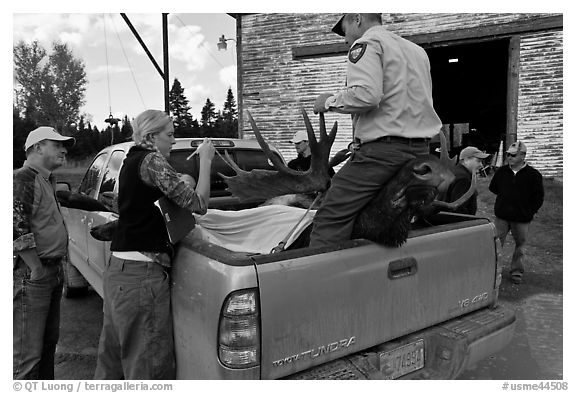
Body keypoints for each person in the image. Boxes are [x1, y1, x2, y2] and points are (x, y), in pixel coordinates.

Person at [94, 109, 215, 379]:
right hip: (141, 278)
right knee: (148, 366)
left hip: (120, 272)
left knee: (112, 361)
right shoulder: (152, 161)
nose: (173, 141)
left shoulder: (130, 160)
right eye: (170, 135)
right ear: (151, 136)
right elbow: (200, 204)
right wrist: (206, 161)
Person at [310, 13, 442, 248]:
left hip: (383, 153)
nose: (345, 39)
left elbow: (367, 96)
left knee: (330, 215)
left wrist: (328, 101)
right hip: (421, 149)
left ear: (357, 19)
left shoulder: (366, 44)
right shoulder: (416, 51)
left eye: (344, 29)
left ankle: (320, 283)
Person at [13, 126, 75, 379]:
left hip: (51, 272)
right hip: (33, 274)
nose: (64, 149)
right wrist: (36, 268)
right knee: (28, 357)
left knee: (48, 347)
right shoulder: (23, 178)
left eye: (65, 146)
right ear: (37, 147)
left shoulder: (45, 179)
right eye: (56, 144)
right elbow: (15, 226)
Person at [489, 141, 544, 284]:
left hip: (521, 219)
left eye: (513, 155)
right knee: (496, 244)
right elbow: (493, 188)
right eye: (508, 154)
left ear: (522, 156)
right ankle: (494, 271)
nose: (509, 157)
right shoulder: (501, 172)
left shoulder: (533, 175)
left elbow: (538, 197)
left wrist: (529, 212)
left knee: (520, 246)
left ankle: (517, 272)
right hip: (502, 217)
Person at [439, 146, 489, 215]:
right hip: (456, 223)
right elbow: (458, 209)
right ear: (466, 160)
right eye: (478, 161)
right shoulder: (463, 179)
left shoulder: (453, 172)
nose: (481, 165)